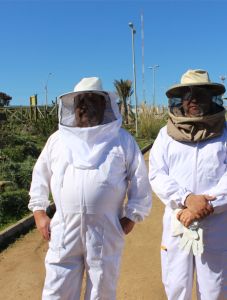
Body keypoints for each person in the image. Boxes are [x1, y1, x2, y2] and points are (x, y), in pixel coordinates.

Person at [28, 77, 152, 299]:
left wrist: (132, 216)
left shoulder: (122, 140)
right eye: (79, 101)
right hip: (65, 226)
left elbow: (140, 179)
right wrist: (39, 212)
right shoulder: (57, 140)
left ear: (104, 104)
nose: (83, 105)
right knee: (57, 290)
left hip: (105, 228)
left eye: (90, 100)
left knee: (101, 290)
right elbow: (40, 176)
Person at [149, 69, 227, 300]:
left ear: (211, 96)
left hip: (214, 221)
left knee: (215, 288)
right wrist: (186, 200)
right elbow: (157, 174)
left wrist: (202, 208)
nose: (193, 100)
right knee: (175, 285)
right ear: (180, 99)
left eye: (200, 94)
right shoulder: (165, 134)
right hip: (178, 217)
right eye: (187, 95)